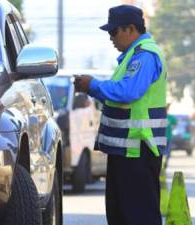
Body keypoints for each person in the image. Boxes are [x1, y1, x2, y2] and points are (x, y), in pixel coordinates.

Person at [73, 4, 167, 225]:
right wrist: (93, 89)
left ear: (130, 29)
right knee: (120, 214)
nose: (111, 38)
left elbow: (128, 92)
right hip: (126, 149)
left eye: (114, 32)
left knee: (139, 215)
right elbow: (118, 98)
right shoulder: (130, 57)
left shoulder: (144, 57)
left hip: (138, 149)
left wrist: (93, 85)